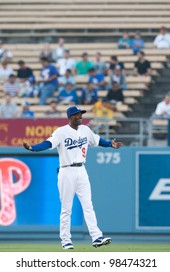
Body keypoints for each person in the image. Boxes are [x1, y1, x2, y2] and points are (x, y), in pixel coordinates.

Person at [23, 105, 123, 249]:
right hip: (66, 171)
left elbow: (97, 140)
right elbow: (48, 143)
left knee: (88, 205)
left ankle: (96, 237)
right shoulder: (61, 132)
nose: (80, 116)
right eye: (77, 114)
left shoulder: (85, 130)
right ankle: (66, 241)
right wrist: (33, 148)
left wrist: (110, 145)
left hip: (82, 170)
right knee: (66, 208)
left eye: (81, 114)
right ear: (70, 117)